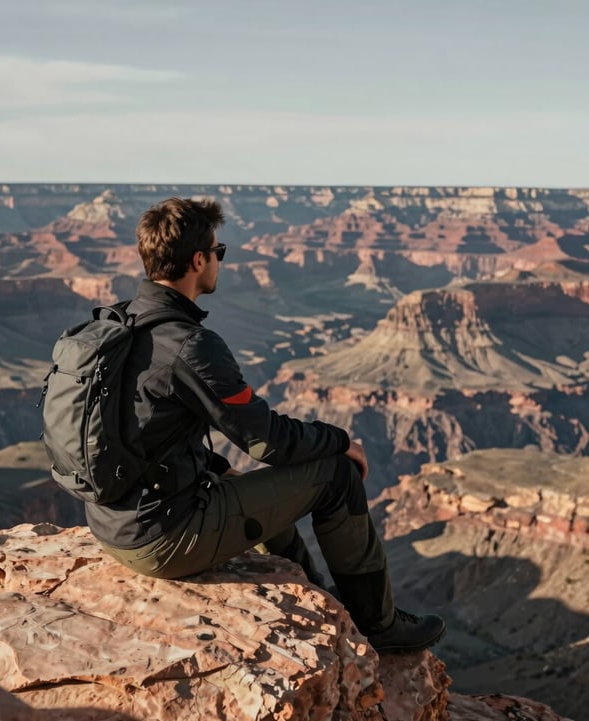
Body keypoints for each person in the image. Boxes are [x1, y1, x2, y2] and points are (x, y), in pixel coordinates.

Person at [87, 197, 446, 653]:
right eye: (219, 251)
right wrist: (341, 441)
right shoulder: (191, 345)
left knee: (237, 478)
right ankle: (380, 624)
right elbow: (266, 441)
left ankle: (316, 595)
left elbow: (144, 431)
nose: (220, 259)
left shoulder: (121, 325)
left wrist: (212, 467)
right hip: (161, 539)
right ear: (198, 260)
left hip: (111, 523)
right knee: (334, 475)